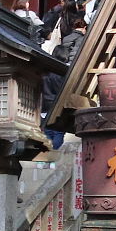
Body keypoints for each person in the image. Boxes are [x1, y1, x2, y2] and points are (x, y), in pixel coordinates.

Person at [43, 15, 86, 149]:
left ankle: (47, 157)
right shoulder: (64, 74)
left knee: (47, 133)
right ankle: (54, 156)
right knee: (58, 134)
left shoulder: (45, 73)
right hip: (58, 107)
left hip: (45, 107)